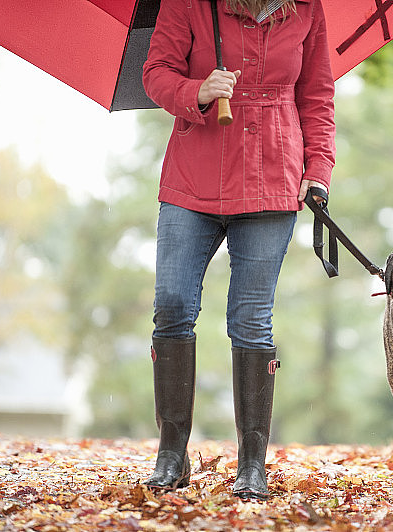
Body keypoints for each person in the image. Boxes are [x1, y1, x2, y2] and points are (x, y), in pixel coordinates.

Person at [140, 0, 335, 500]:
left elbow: (316, 95)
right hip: (193, 177)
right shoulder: (187, 4)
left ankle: (252, 463)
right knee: (173, 304)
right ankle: (171, 453)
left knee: (251, 318)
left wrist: (318, 169)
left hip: (273, 178)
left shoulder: (306, 10)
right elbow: (156, 71)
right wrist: (196, 90)